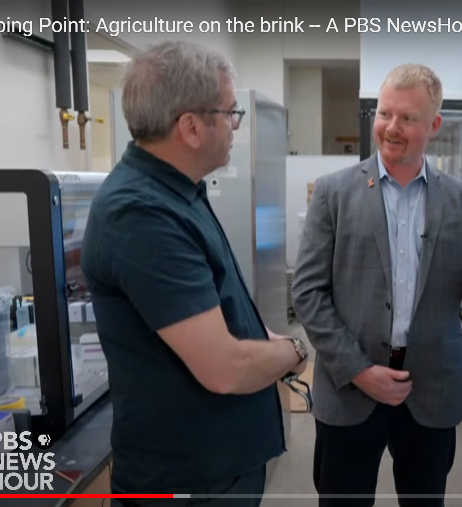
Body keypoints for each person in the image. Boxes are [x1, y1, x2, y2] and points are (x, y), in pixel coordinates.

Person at [291, 63, 462, 507]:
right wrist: (358, 370)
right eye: (384, 114)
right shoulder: (333, 194)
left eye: (407, 118)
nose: (392, 127)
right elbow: (309, 294)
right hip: (351, 389)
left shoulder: (461, 199)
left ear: (433, 124)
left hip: (429, 388)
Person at [80, 40, 308, 506]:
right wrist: (294, 351)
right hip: (187, 478)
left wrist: (264, 338)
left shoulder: (180, 193)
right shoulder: (141, 214)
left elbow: (221, 311)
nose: (233, 126)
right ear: (190, 127)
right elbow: (224, 368)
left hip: (218, 467)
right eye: (229, 114)